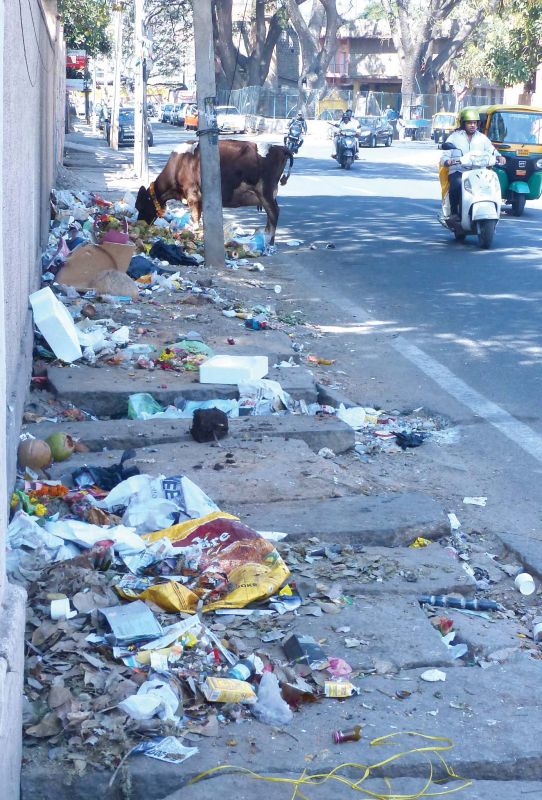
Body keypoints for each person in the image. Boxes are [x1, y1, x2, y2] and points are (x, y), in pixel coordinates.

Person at [441, 108, 506, 218]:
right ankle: (454, 214)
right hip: (459, 170)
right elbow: (445, 155)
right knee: (456, 186)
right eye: (469, 123)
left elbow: (491, 150)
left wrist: (499, 156)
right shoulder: (455, 137)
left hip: (478, 171)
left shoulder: (482, 138)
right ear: (463, 123)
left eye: (474, 123)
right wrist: (448, 161)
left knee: (489, 186)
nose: (472, 125)